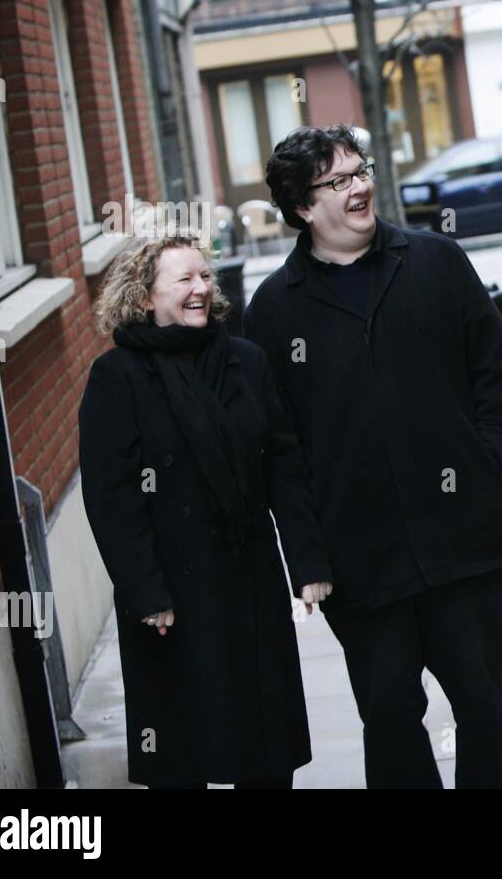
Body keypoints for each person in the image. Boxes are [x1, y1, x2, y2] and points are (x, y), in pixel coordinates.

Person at [246, 125, 502, 789]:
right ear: (301, 208)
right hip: (360, 560)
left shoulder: (434, 260)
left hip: (467, 544)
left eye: (361, 170)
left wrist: (496, 470)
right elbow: (279, 449)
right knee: (389, 717)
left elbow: (497, 375)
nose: (360, 187)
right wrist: (309, 556)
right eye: (339, 181)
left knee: (487, 707)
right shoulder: (273, 311)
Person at [79, 229, 333, 789]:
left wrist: (307, 562)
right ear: (146, 297)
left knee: (264, 747)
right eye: (184, 279)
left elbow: (283, 467)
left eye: (204, 276)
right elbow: (112, 497)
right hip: (169, 592)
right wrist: (145, 593)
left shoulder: (245, 361)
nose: (200, 288)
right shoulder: (116, 377)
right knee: (183, 749)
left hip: (249, 579)